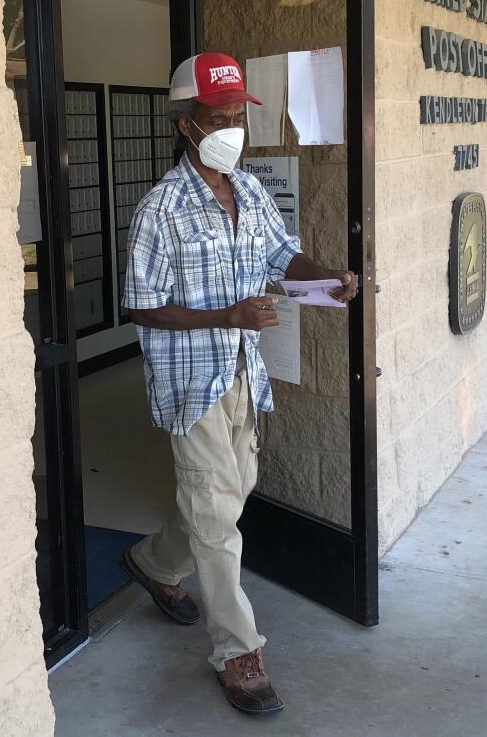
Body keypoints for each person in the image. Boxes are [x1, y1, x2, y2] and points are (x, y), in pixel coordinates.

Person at [119, 52, 358, 715]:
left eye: (237, 118)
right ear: (186, 124)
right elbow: (141, 304)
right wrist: (228, 314)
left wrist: (326, 274)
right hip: (190, 381)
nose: (231, 129)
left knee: (226, 495)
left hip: (242, 373)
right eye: (217, 118)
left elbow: (282, 253)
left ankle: (155, 563)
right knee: (219, 516)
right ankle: (238, 651)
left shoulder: (248, 191)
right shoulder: (159, 210)